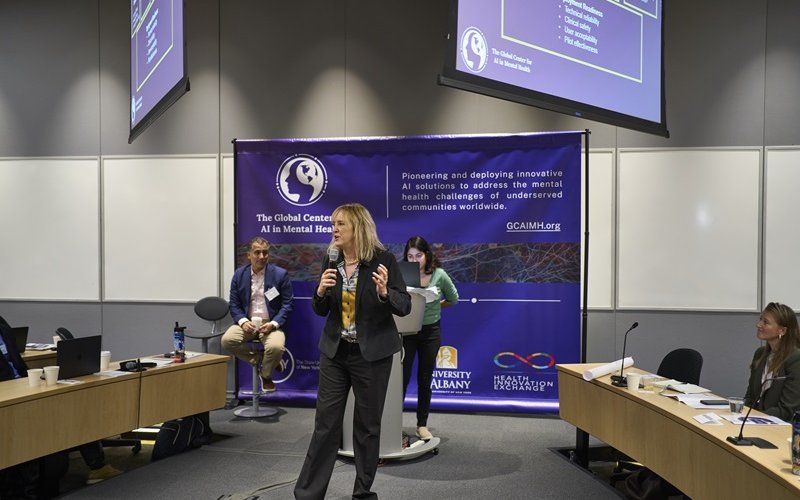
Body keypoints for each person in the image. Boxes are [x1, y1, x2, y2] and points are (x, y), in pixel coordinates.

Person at [294, 203, 411, 500]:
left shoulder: (382, 260)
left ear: (357, 227)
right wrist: (320, 291)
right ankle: (308, 494)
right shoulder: (331, 260)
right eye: (333, 223)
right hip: (335, 352)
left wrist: (386, 293)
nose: (334, 229)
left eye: (340, 224)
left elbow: (404, 304)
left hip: (372, 355)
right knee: (325, 424)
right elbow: (321, 309)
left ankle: (362, 492)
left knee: (367, 427)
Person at [0, 316, 121, 493]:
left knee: (70, 406)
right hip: (9, 394)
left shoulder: (2, 326)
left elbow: (18, 363)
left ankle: (97, 466)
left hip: (23, 384)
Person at [401, 236, 458, 442]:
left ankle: (421, 425)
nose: (415, 260)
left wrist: (431, 305)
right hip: (407, 332)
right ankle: (393, 425)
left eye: (418, 255)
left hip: (430, 332)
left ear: (427, 255)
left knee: (425, 379)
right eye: (410, 256)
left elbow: (453, 299)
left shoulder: (439, 274)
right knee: (401, 379)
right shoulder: (402, 273)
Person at [221, 237, 293, 393]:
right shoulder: (239, 275)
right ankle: (266, 360)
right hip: (247, 322)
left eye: (265, 253)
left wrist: (273, 324)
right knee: (227, 341)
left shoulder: (280, 275)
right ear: (249, 255)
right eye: (257, 252)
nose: (262, 257)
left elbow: (287, 304)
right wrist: (242, 321)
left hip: (270, 324)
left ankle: (266, 374)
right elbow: (234, 304)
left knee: (275, 346)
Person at [743, 301, 800, 421]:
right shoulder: (760, 353)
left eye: (765, 322)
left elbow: (786, 410)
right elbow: (750, 398)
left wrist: (753, 418)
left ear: (782, 331)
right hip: (754, 422)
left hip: (778, 427)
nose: (758, 325)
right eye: (760, 320)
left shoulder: (795, 359)